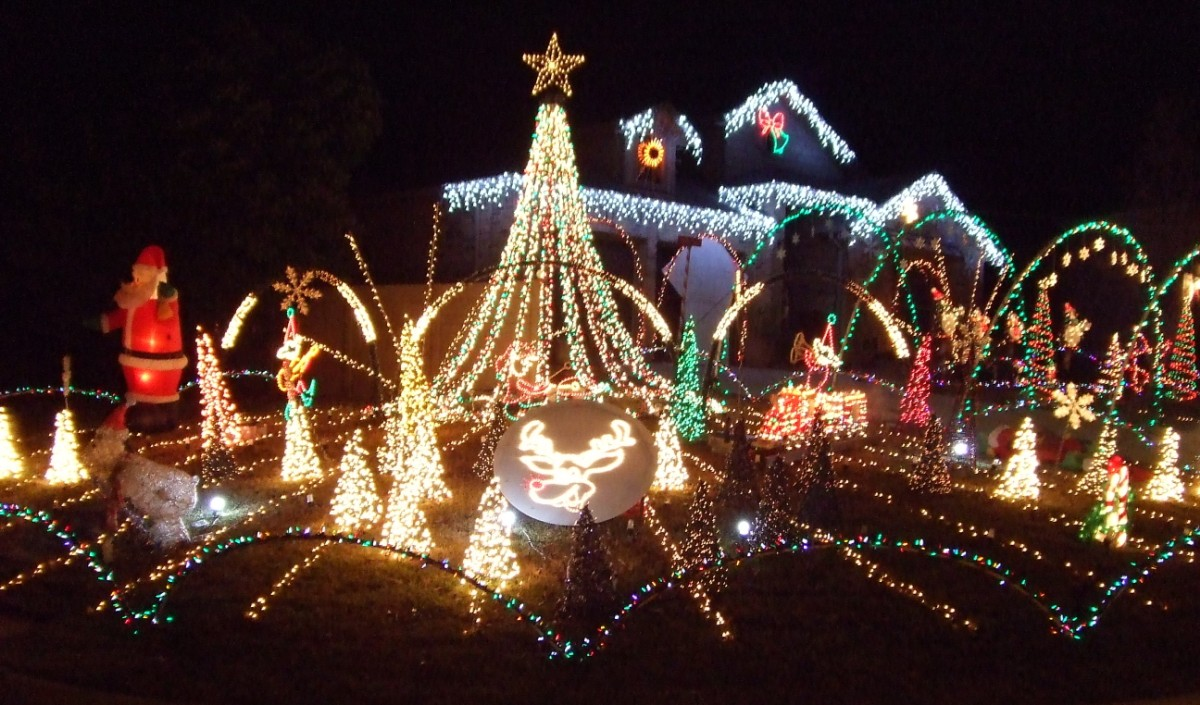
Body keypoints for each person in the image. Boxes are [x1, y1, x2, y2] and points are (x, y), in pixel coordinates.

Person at [95, 245, 187, 433]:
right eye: (136, 276)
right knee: (138, 397)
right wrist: (101, 323)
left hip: (163, 365)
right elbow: (118, 319)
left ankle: (165, 419)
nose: (136, 281)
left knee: (159, 395)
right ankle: (137, 420)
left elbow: (168, 317)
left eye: (141, 276)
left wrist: (167, 297)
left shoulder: (164, 301)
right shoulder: (132, 301)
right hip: (134, 365)